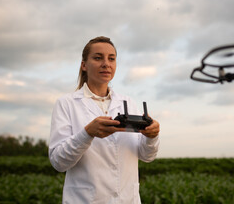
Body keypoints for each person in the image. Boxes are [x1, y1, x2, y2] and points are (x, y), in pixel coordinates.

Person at [49, 36, 160, 203]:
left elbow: (146, 156)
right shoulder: (66, 104)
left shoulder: (128, 103)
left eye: (111, 58)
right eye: (98, 57)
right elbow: (59, 162)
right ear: (84, 65)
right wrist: (87, 133)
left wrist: (151, 136)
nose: (106, 63)